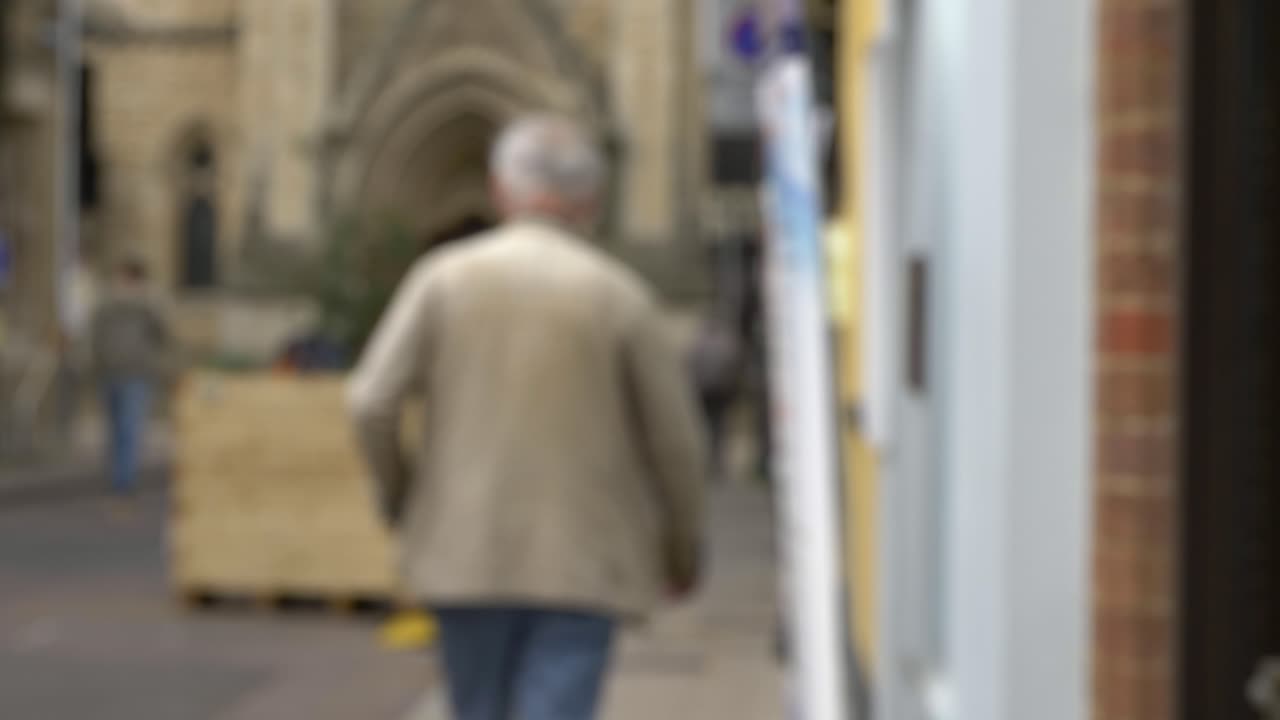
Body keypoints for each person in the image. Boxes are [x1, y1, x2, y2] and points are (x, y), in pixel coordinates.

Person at [347, 115, 708, 720]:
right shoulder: (621, 296)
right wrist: (681, 551)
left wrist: (402, 497)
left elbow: (369, 401)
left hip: (464, 553)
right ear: (591, 200)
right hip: (581, 561)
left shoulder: (441, 280)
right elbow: (677, 443)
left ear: (498, 191)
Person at [90, 257, 170, 495]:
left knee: (129, 428)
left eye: (127, 277)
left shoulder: (148, 304)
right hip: (109, 373)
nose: (122, 283)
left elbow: (163, 332)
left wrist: (148, 299)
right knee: (113, 429)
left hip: (137, 374)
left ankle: (123, 481)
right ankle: (116, 475)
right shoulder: (106, 303)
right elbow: (95, 333)